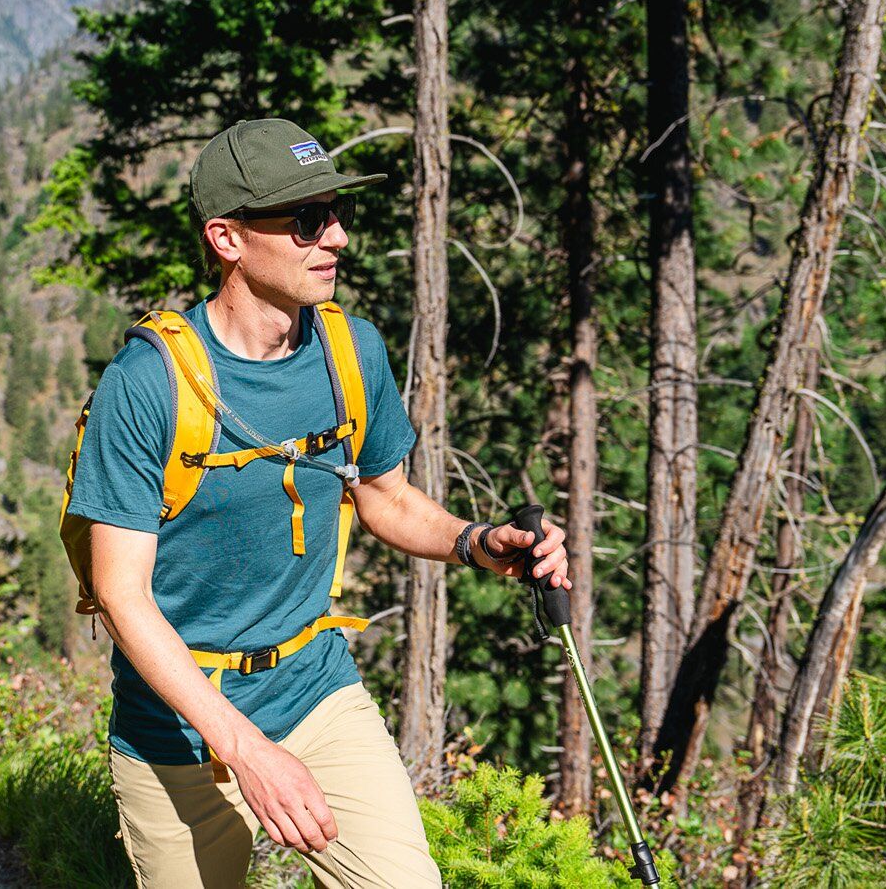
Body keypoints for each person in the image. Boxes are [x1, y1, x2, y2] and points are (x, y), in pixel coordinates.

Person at [66, 118, 571, 888]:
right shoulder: (147, 382)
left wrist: (476, 541)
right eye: (307, 220)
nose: (337, 238)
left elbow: (385, 498)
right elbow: (120, 595)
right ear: (227, 239)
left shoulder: (350, 350)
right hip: (177, 723)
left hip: (313, 689)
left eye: (336, 214)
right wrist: (245, 750)